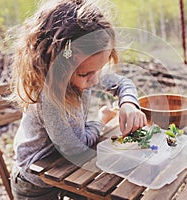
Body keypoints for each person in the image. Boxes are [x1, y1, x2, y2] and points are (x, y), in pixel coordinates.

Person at [9, 0, 146, 199]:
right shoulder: (50, 99)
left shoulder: (86, 70)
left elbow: (123, 83)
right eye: (86, 75)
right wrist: (100, 121)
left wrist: (129, 104)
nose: (96, 80)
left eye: (99, 69)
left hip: (65, 169)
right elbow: (76, 150)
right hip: (37, 182)